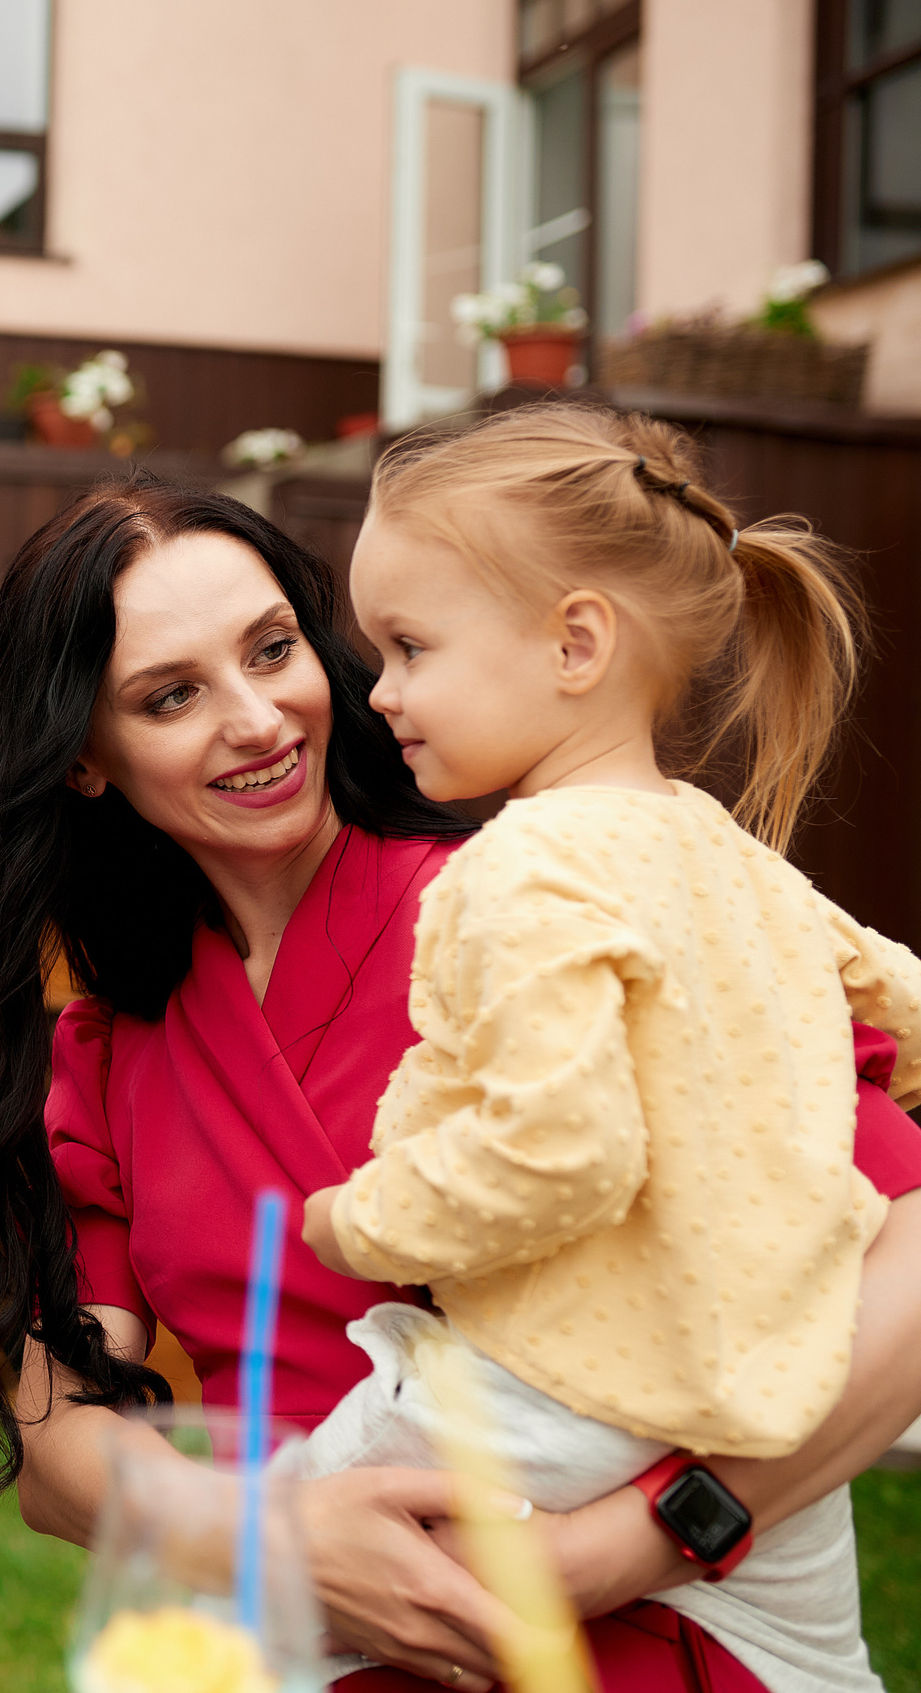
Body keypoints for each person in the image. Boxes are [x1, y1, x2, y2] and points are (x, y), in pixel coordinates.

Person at [0, 477, 921, 1693]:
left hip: (646, 1629)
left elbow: (905, 1251)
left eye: (272, 649)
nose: (257, 719)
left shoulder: (545, 902)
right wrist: (269, 1541)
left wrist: (624, 1544)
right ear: (83, 756)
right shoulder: (112, 1045)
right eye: (170, 695)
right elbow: (55, 1445)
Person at [297, 404, 921, 1692]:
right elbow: (898, 998)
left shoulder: (520, 865)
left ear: (575, 642)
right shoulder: (727, 852)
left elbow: (561, 1152)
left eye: (409, 647)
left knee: (268, 1574)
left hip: (561, 1388)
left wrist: (359, 1222)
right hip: (769, 1388)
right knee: (820, 1663)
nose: (380, 692)